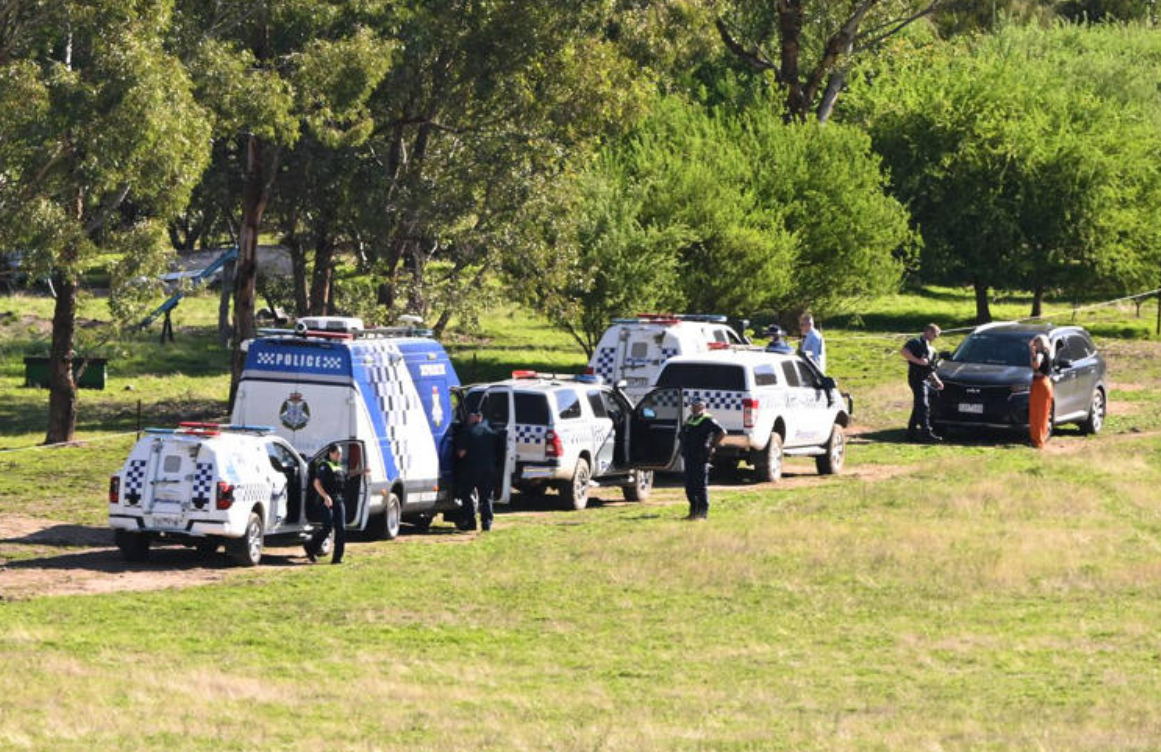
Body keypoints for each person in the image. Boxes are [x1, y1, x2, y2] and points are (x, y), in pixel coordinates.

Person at [305, 444, 368, 564]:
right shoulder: (324, 465)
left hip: (338, 499)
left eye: (341, 454)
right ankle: (310, 548)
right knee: (327, 527)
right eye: (338, 454)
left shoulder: (338, 466)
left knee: (341, 529)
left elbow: (347, 475)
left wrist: (360, 471)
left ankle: (337, 558)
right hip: (326, 500)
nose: (340, 456)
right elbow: (316, 483)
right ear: (331, 453)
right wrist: (325, 496)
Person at [456, 412, 505, 531]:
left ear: (476, 418)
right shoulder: (491, 432)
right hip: (488, 469)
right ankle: (486, 523)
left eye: (470, 416)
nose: (468, 418)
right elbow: (500, 451)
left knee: (466, 494)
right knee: (486, 497)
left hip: (471, 469)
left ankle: (471, 522)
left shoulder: (467, 431)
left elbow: (461, 453)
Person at [680, 397, 725, 520]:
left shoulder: (708, 420)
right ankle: (693, 511)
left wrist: (712, 445)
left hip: (701, 456)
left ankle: (702, 513)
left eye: (698, 406)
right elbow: (682, 435)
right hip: (689, 456)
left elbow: (722, 432)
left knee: (700, 485)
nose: (695, 409)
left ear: (703, 407)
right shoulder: (690, 419)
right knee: (689, 486)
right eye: (693, 407)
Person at [901, 323, 945, 443]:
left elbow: (930, 368)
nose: (935, 338)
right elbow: (904, 351)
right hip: (916, 377)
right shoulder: (916, 342)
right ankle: (927, 433)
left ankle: (910, 433)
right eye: (935, 335)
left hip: (926, 379)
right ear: (928, 332)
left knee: (919, 405)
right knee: (923, 405)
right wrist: (918, 361)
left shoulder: (932, 349)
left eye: (937, 336)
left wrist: (937, 380)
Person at [1028, 334, 1054, 448]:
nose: (1035, 344)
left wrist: (1033, 352)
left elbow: (1036, 365)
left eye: (1036, 342)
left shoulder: (1041, 353)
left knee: (1040, 413)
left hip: (1041, 383)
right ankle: (1035, 439)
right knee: (1035, 412)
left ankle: (1039, 440)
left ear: (1041, 343)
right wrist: (1032, 353)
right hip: (1039, 383)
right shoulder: (1043, 353)